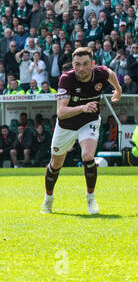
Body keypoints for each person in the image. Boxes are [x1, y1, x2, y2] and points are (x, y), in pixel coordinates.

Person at [41, 47, 122, 215]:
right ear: (73, 64)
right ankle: (48, 199)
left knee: (88, 156)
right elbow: (61, 112)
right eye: (77, 64)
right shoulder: (66, 79)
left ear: (92, 64)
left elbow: (110, 73)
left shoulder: (100, 73)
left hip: (89, 120)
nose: (81, 68)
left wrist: (118, 90)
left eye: (85, 64)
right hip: (66, 125)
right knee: (56, 164)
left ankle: (90, 198)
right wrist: (83, 107)